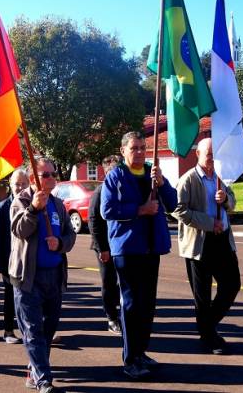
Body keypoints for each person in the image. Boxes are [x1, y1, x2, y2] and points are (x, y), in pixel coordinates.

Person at [100, 131, 177, 380]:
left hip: (151, 247)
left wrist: (163, 184)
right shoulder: (115, 177)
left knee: (148, 304)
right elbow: (107, 210)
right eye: (134, 148)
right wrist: (140, 210)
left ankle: (142, 352)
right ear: (123, 151)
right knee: (131, 306)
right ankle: (130, 359)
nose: (140, 152)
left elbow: (173, 203)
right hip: (128, 249)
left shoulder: (152, 174)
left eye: (143, 148)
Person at [9, 157, 76, 393]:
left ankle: (34, 370)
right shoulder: (22, 200)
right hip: (29, 278)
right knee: (32, 330)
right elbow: (20, 230)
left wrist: (60, 243)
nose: (50, 178)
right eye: (44, 174)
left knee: (49, 328)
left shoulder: (58, 204)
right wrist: (33, 209)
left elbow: (70, 236)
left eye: (52, 173)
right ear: (33, 177)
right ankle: (44, 381)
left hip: (54, 276)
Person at [172, 137, 241, 355]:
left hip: (223, 241)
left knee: (232, 285)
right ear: (198, 155)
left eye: (214, 153)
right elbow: (179, 211)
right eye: (208, 153)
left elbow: (232, 201)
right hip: (199, 244)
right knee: (202, 295)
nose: (212, 157)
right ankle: (209, 337)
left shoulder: (221, 177)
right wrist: (210, 223)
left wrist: (226, 199)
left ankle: (206, 325)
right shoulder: (188, 180)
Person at [0, 169, 28, 344]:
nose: (20, 187)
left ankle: (32, 331)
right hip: (9, 263)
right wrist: (0, 265)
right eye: (17, 184)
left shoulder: (32, 205)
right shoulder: (2, 208)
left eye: (23, 183)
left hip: (29, 260)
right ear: (10, 186)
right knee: (10, 297)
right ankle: (8, 331)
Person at [88, 155, 122, 335]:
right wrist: (103, 249)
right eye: (113, 171)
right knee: (109, 282)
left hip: (121, 244)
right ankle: (111, 318)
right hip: (105, 246)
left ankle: (121, 313)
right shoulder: (100, 192)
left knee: (121, 281)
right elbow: (93, 221)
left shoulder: (123, 189)